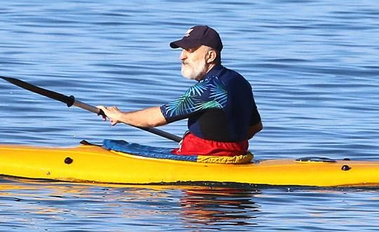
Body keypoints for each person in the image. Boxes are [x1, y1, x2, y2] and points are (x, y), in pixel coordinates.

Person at [96, 25, 263, 164]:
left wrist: (119, 115)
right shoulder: (239, 81)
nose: (182, 56)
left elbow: (154, 119)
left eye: (190, 50)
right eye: (183, 50)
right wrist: (226, 141)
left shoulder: (208, 89)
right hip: (236, 157)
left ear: (211, 55)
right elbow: (255, 127)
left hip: (206, 161)